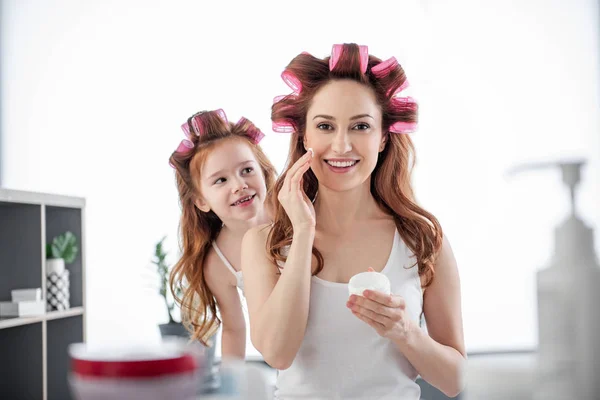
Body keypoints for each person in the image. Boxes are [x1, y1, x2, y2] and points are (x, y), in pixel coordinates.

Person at [241, 44, 466, 399]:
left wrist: (405, 331)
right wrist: (302, 232)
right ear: (304, 137)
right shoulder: (265, 243)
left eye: (360, 126)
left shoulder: (423, 239)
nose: (342, 145)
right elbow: (277, 352)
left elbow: (455, 381)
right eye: (325, 126)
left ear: (382, 138)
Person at [168, 109, 276, 361]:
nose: (239, 185)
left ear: (263, 171)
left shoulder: (292, 211)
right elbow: (235, 329)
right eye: (221, 180)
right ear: (201, 201)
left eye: (247, 170)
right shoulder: (219, 262)